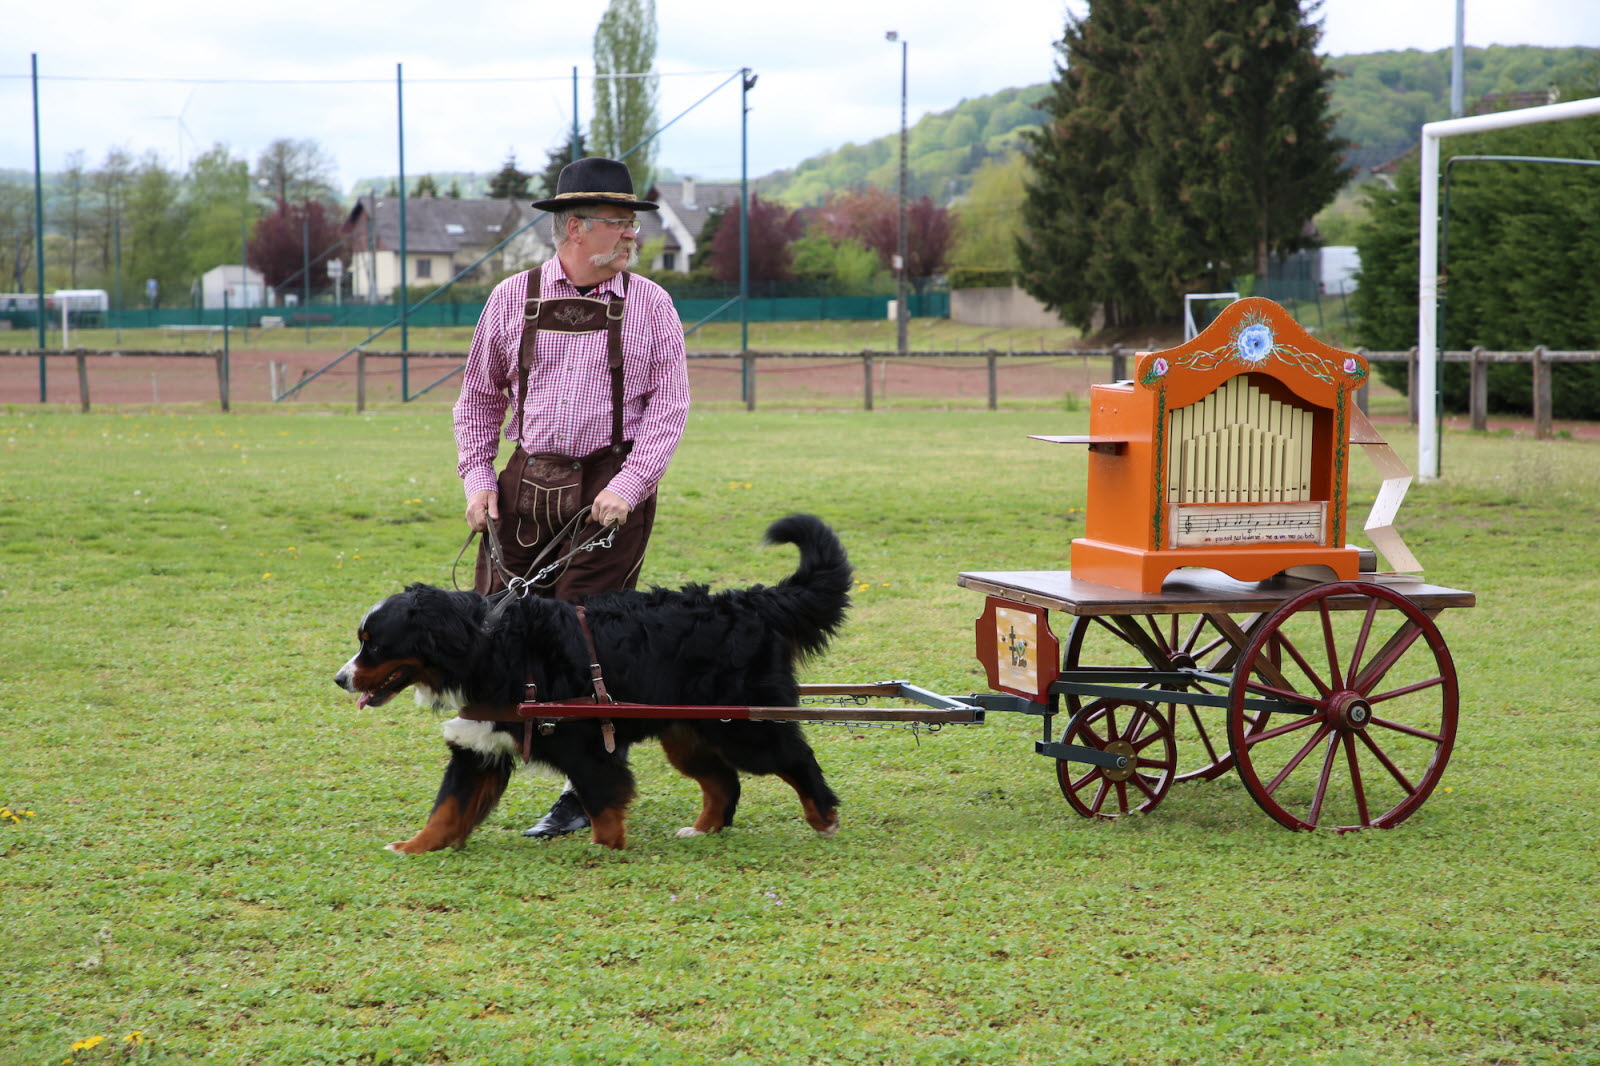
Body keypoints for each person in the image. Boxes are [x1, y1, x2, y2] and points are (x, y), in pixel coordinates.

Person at [452, 157, 690, 838]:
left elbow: (668, 413)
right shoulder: (510, 299)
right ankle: (482, 771)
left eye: (631, 223)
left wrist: (629, 486)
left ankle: (584, 790)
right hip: (524, 484)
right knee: (499, 634)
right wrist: (477, 479)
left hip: (610, 491)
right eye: (620, 222)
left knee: (586, 644)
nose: (632, 235)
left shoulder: (652, 306)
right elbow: (478, 399)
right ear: (576, 229)